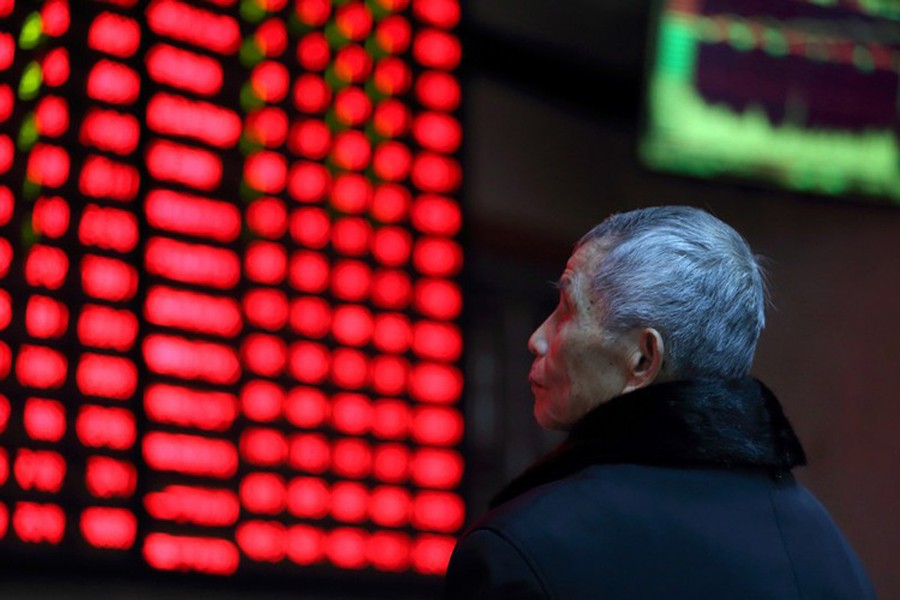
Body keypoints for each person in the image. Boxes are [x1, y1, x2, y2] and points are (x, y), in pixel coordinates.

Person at [444, 206, 875, 599]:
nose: (537, 338)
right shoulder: (826, 546)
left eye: (567, 310)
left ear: (642, 358)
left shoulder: (520, 549)